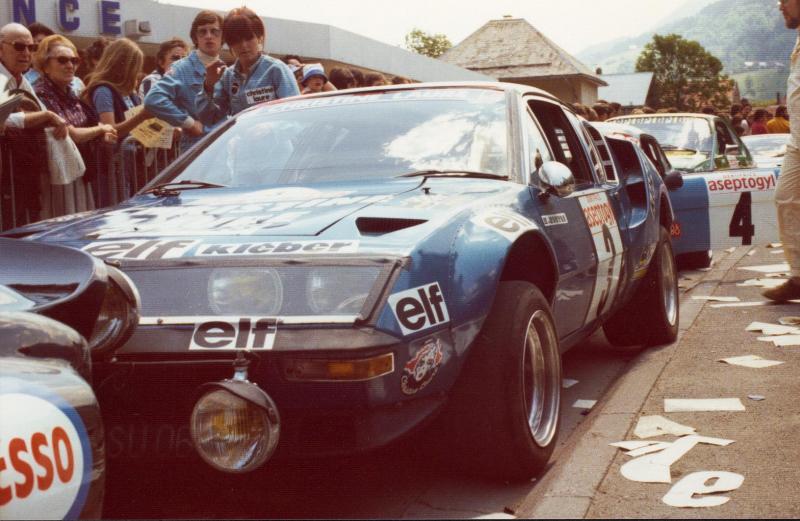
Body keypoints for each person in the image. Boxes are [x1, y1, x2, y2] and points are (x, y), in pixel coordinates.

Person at [33, 34, 117, 215]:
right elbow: (73, 134)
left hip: (78, 171)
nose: (69, 65)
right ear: (45, 66)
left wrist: (101, 134)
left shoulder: (71, 92)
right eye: (62, 60)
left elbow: (87, 126)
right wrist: (102, 128)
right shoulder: (42, 93)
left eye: (74, 60)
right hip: (58, 177)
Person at [0, 23, 69, 223]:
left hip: (20, 173)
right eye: (19, 46)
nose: (26, 53)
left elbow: (38, 113)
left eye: (32, 48)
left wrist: (42, 116)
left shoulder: (21, 79)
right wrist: (44, 116)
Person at [197, 7, 299, 122]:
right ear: (230, 44)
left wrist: (269, 127)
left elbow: (295, 114)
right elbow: (209, 118)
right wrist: (208, 86)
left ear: (259, 37)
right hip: (242, 139)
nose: (243, 45)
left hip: (275, 139)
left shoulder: (276, 70)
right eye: (236, 40)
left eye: (249, 38)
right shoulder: (228, 76)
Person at [144, 10, 224, 151]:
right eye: (202, 32)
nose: (209, 36)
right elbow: (154, 99)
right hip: (196, 149)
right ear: (195, 37)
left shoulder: (226, 70)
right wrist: (189, 123)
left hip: (224, 148)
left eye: (214, 31)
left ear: (222, 36)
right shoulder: (182, 68)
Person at [764, 0, 800, 301]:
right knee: (785, 199)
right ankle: (799, 275)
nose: (779, 6)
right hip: (797, 141)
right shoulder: (799, 36)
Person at [82, 38, 150, 139]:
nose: (136, 71)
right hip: (114, 153)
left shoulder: (130, 93)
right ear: (121, 65)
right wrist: (142, 116)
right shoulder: (103, 91)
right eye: (134, 66)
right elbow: (110, 131)